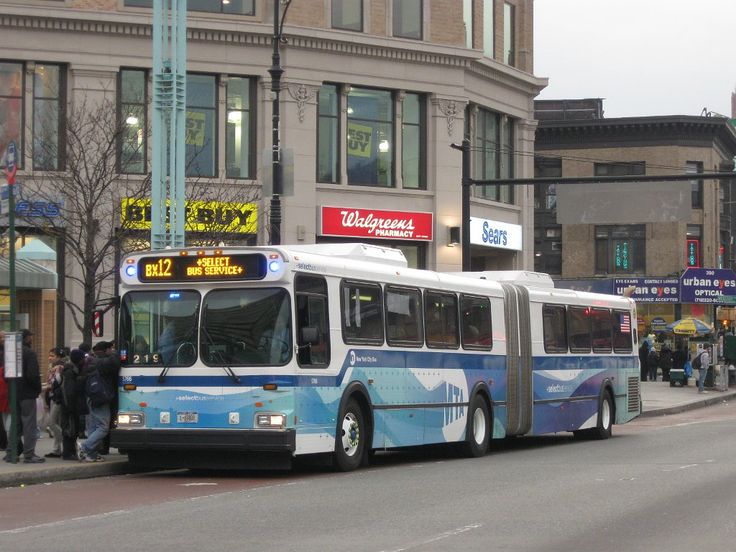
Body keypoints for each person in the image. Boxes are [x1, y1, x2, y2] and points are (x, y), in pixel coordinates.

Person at [77, 340, 119, 462]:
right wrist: (118, 351)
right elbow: (115, 361)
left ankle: (91, 455)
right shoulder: (102, 362)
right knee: (103, 427)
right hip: (100, 399)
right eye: (111, 349)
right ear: (107, 350)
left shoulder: (91, 361)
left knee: (94, 427)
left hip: (92, 397)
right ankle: (85, 446)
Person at [18, 329, 44, 463]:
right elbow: (32, 375)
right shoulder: (29, 353)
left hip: (14, 392)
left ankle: (12, 451)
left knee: (15, 423)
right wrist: (38, 388)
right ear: (27, 338)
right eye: (30, 337)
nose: (31, 339)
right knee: (29, 424)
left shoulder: (13, 352)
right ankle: (29, 454)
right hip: (27, 393)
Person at [60, 349, 86, 460]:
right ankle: (68, 452)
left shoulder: (72, 370)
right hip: (70, 406)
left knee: (71, 429)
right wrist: (70, 407)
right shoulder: (71, 372)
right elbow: (69, 391)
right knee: (70, 430)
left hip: (71, 405)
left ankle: (69, 451)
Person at [44, 347, 67, 458]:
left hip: (58, 399)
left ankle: (67, 441)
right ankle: (56, 449)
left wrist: (48, 386)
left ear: (58, 357)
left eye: (52, 355)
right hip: (53, 397)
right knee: (56, 423)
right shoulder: (52, 367)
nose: (50, 358)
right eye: (49, 355)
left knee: (51, 423)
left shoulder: (60, 367)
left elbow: (56, 382)